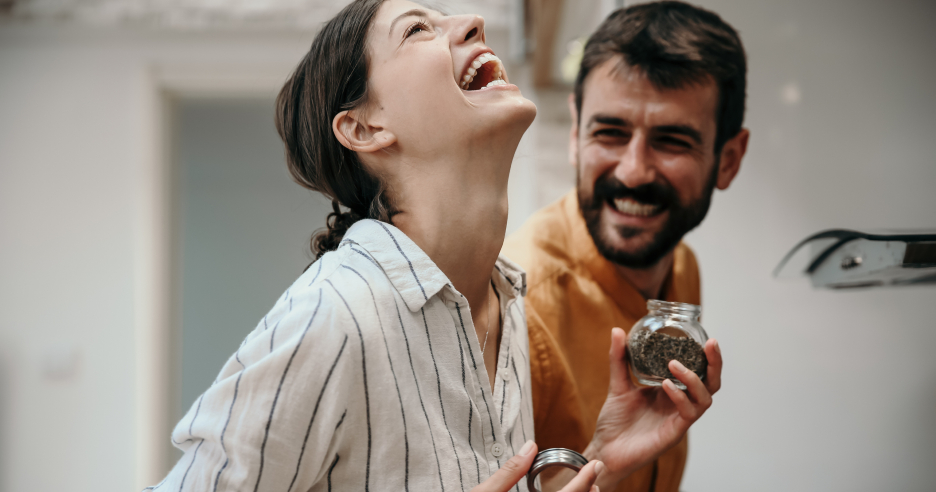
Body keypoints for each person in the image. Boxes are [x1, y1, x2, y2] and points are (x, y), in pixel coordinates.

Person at [146, 1, 719, 491]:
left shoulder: (505, 306)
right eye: (417, 30)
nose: (472, 22)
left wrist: (603, 459)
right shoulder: (334, 315)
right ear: (364, 129)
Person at [503, 2, 746, 491]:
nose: (633, 171)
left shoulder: (680, 264)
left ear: (728, 159)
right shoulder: (515, 304)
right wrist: (602, 464)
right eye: (610, 132)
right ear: (576, 133)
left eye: (672, 141)